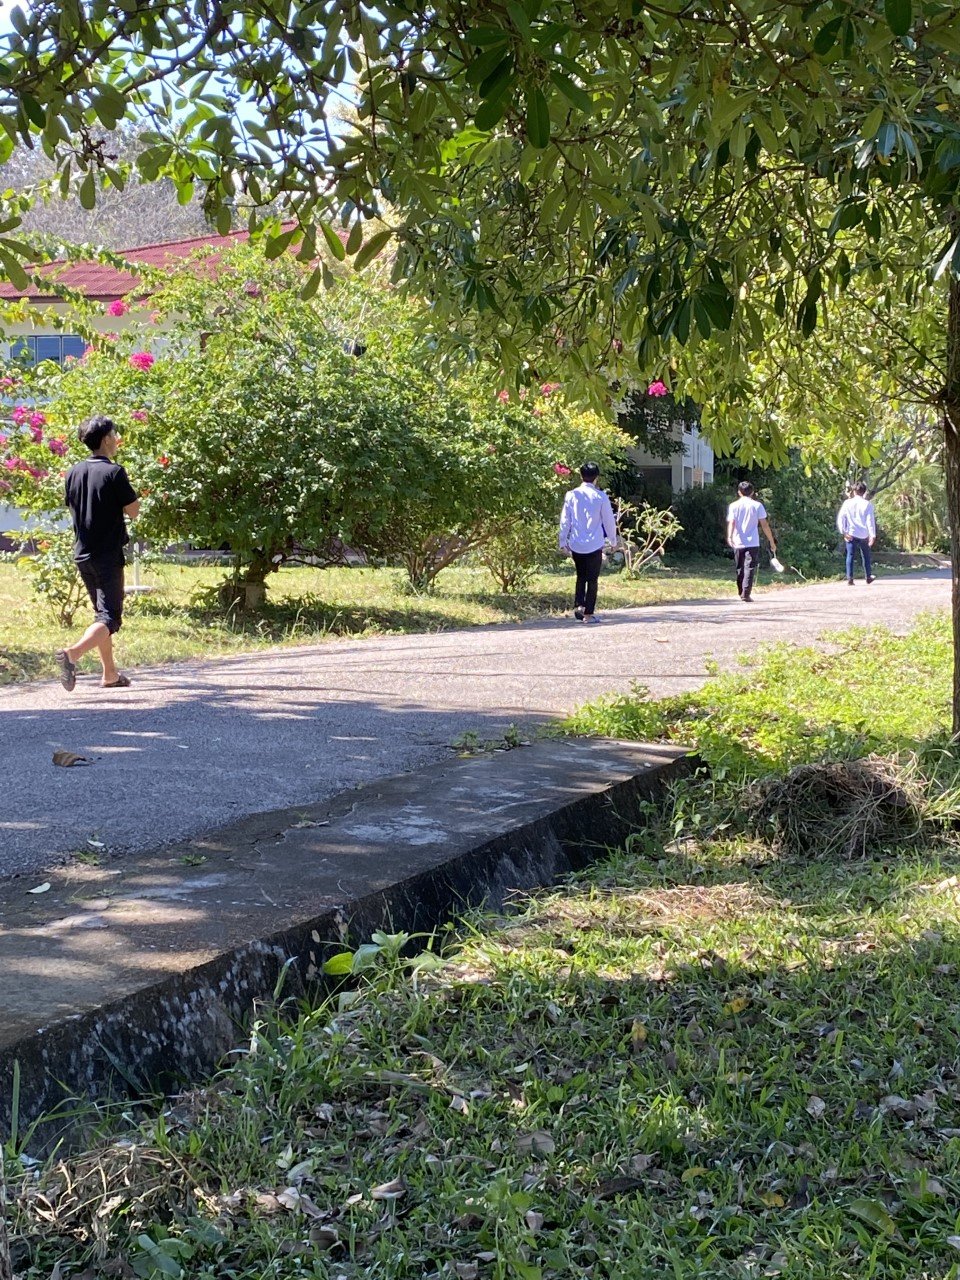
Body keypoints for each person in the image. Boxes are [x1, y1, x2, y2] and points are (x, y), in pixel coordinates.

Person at [55, 414, 140, 691]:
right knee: (110, 618)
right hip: (106, 554)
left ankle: (110, 675)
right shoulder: (114, 472)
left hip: (83, 553)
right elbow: (134, 510)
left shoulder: (73, 473)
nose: (117, 440)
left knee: (100, 613)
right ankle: (72, 654)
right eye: (114, 435)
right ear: (105, 439)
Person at [558, 461, 618, 623]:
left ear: (580, 476)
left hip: (577, 543)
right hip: (594, 544)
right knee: (592, 579)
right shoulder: (601, 496)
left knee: (581, 576)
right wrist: (613, 540)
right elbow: (608, 521)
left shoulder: (572, 495)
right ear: (596, 477)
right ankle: (588, 614)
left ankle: (579, 605)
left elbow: (565, 520)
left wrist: (563, 541)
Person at [726, 480, 777, 602]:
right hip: (753, 542)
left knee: (739, 567)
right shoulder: (757, 505)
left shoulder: (733, 506)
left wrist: (729, 536)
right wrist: (771, 541)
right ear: (752, 492)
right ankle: (746, 593)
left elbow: (731, 523)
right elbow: (764, 525)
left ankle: (741, 591)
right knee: (750, 567)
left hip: (737, 541)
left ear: (739, 492)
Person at [837, 480, 876, 585]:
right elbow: (870, 521)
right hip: (863, 534)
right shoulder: (867, 504)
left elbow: (841, 518)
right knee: (866, 556)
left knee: (850, 555)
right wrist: (872, 535)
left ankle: (850, 578)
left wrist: (844, 532)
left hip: (851, 533)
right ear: (864, 492)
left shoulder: (847, 503)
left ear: (854, 491)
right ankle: (868, 576)